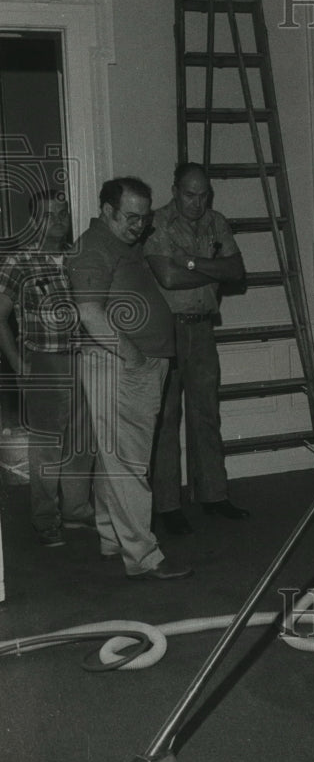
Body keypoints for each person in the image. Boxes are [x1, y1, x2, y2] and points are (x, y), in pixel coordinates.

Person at [67, 177, 192, 580]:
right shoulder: (93, 247)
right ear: (107, 211)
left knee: (115, 458)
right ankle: (144, 556)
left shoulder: (121, 242)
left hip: (134, 363)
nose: (139, 226)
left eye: (145, 218)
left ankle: (111, 538)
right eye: (131, 217)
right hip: (119, 365)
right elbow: (90, 314)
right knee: (130, 463)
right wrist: (134, 356)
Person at [144, 162, 248, 534]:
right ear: (175, 190)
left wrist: (190, 262)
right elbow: (168, 277)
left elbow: (236, 270)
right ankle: (167, 505)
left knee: (207, 413)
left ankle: (214, 496)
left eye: (203, 194)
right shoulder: (156, 223)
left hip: (203, 329)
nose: (197, 202)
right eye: (190, 194)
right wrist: (211, 268)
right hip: (166, 332)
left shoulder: (216, 222)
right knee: (167, 418)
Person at [0, 190, 94, 547]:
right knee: (47, 445)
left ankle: (76, 510)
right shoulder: (18, 263)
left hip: (82, 358)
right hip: (43, 360)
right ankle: (45, 518)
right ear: (34, 220)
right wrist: (19, 364)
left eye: (63, 213)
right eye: (50, 215)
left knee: (81, 441)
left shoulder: (77, 258)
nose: (59, 221)